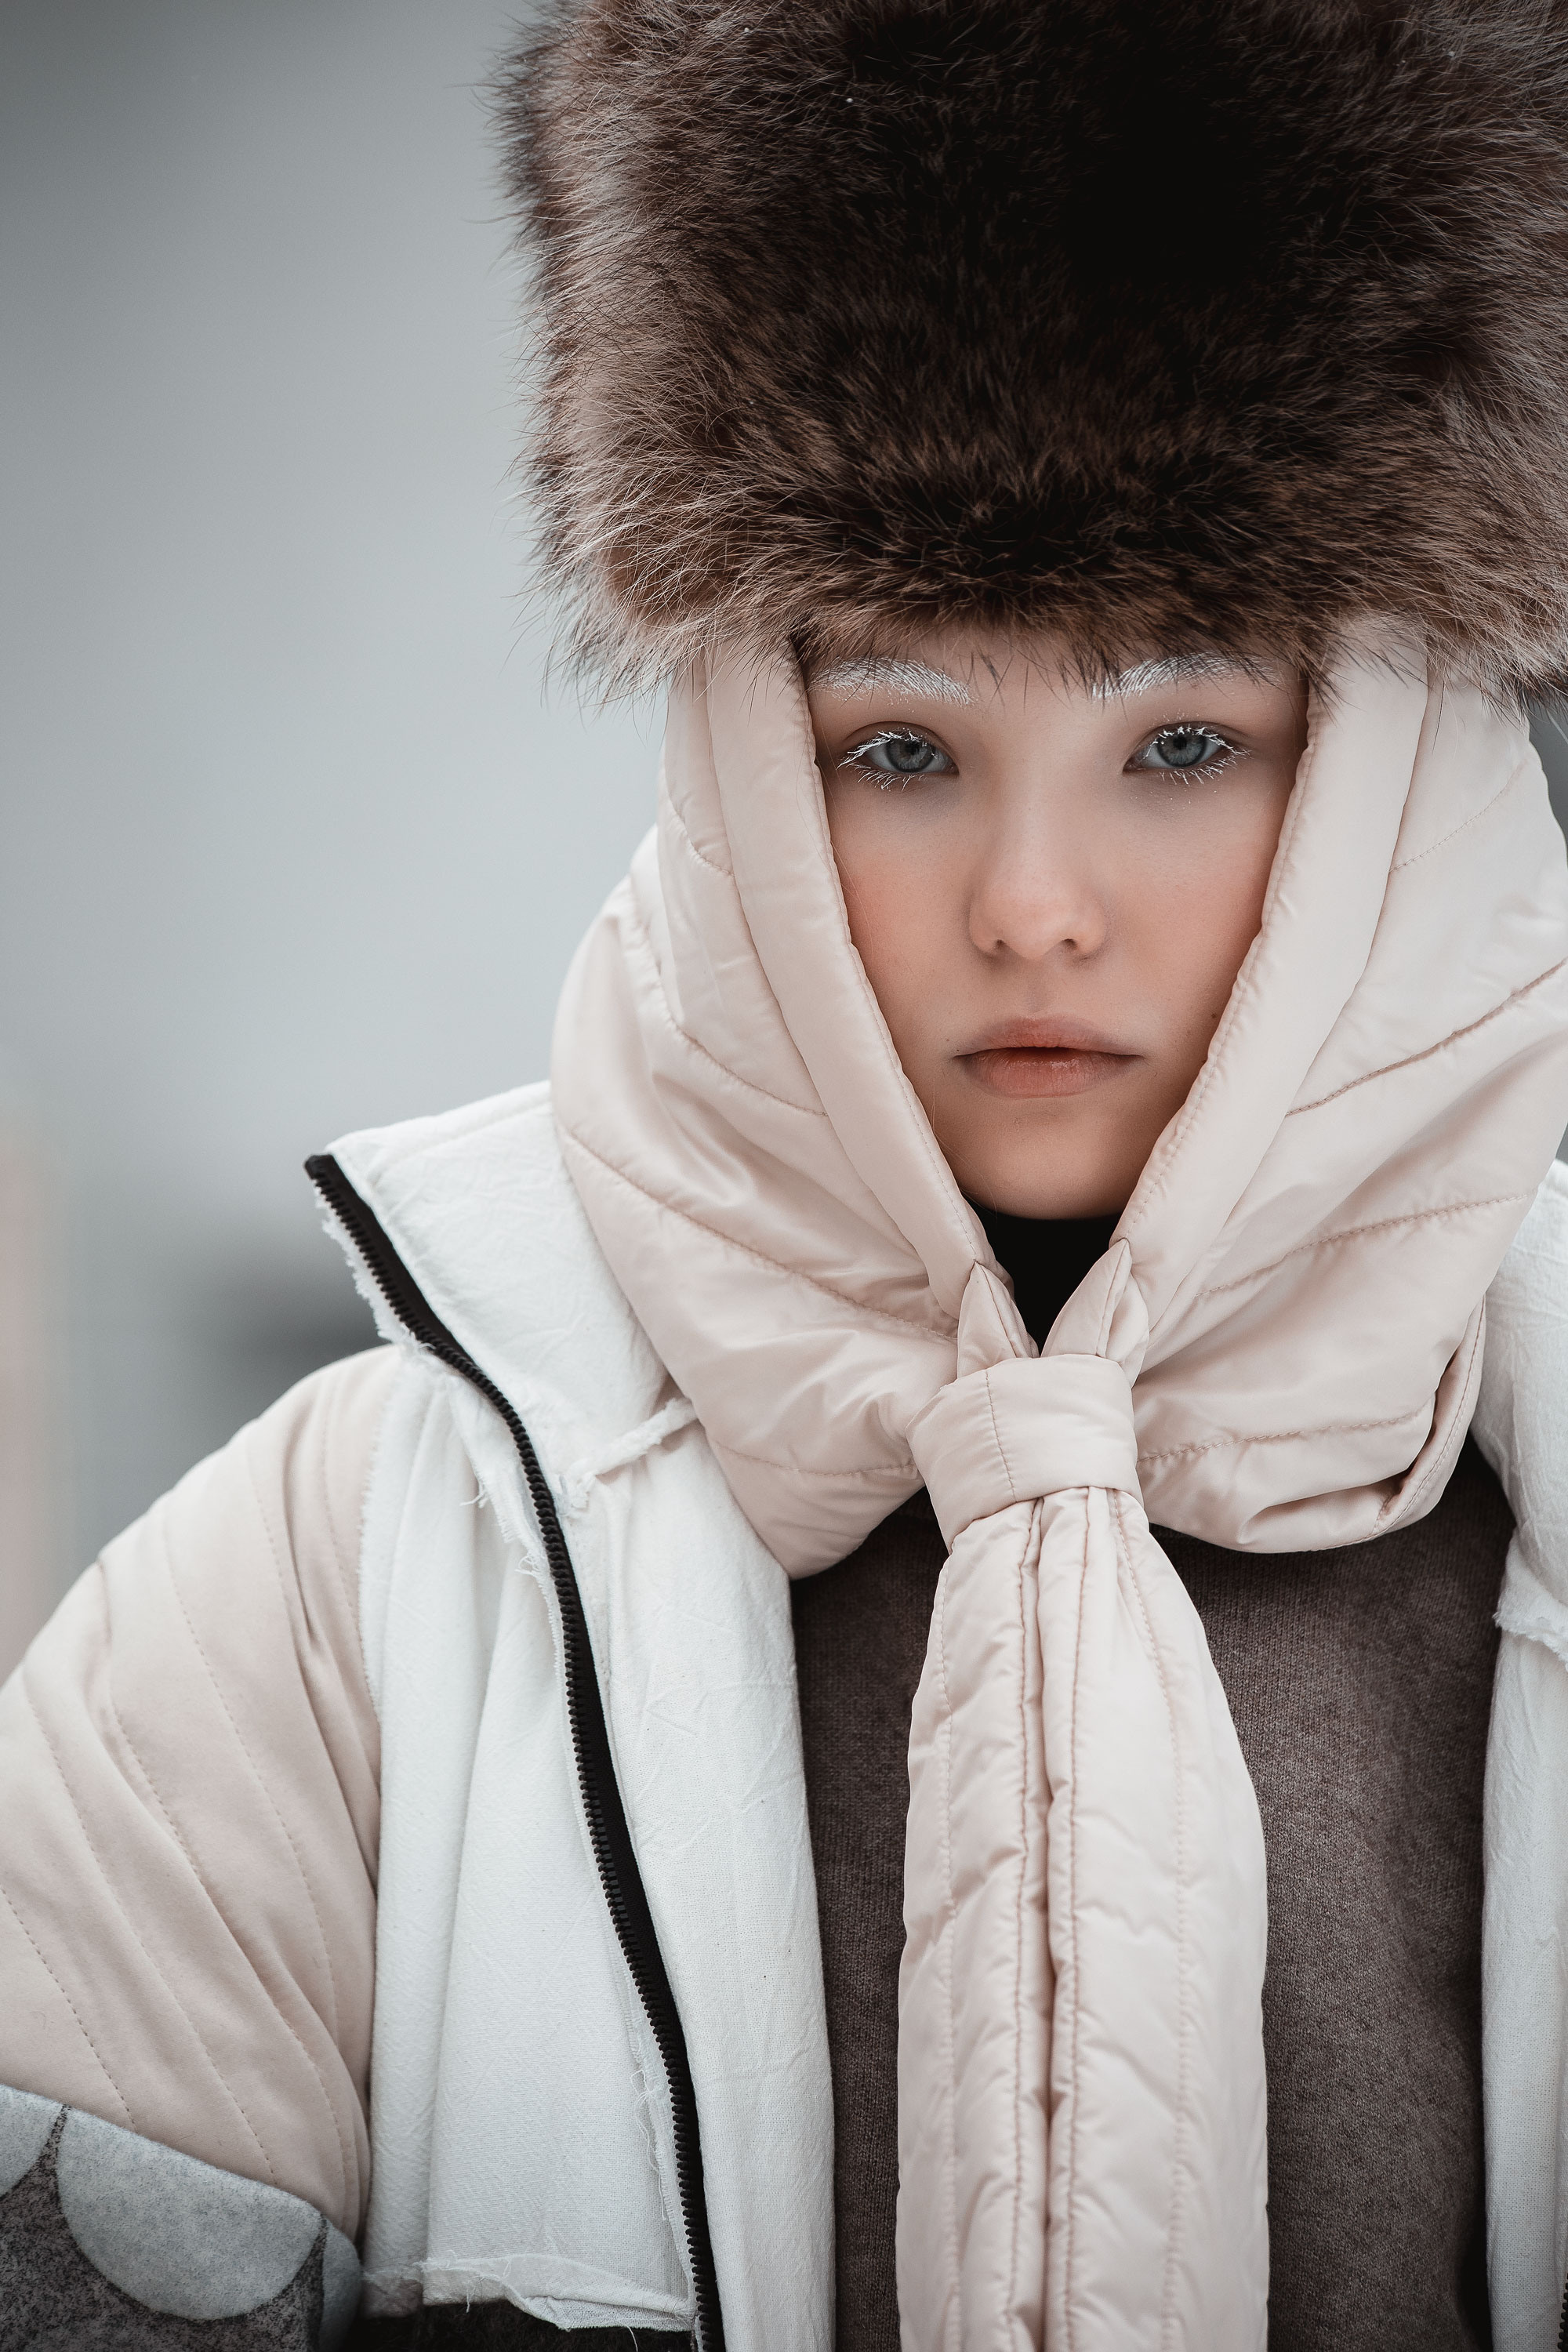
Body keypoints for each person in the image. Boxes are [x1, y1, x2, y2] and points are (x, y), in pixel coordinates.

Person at [4, 3, 1568, 2349]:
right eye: (903, 745)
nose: (1034, 905)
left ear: (1395, 766)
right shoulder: (320, 1604)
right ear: (744, 759)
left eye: (1182, 739)